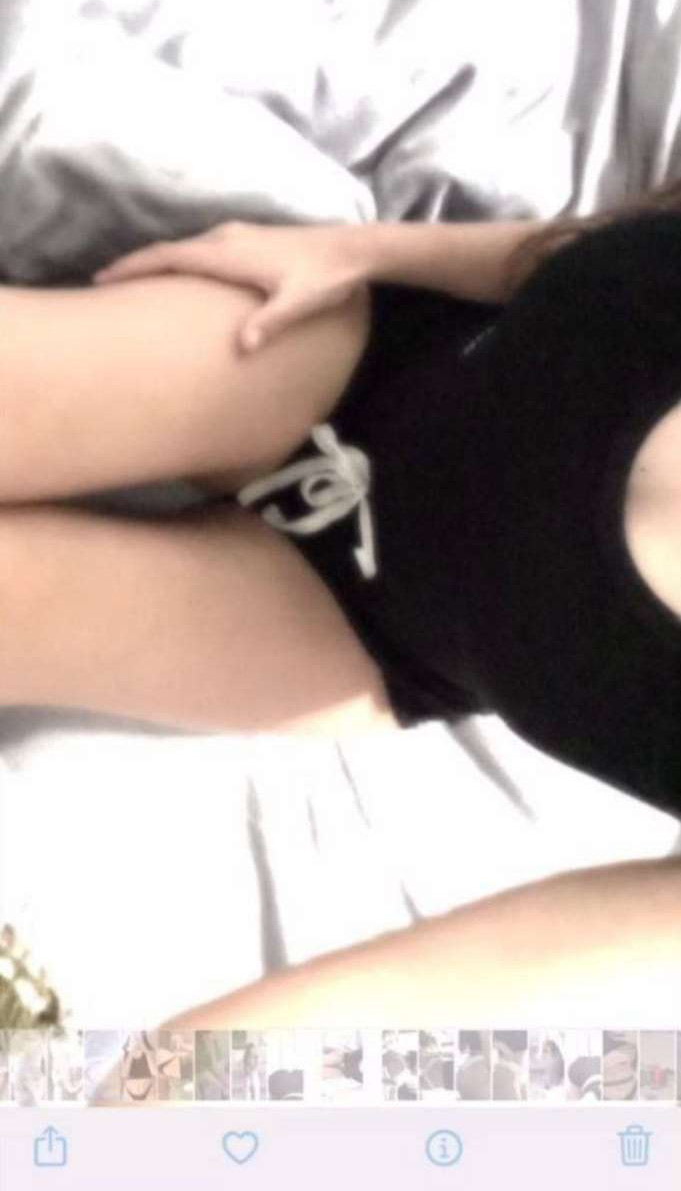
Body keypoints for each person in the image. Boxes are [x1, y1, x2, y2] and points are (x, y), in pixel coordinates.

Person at [2, 187, 681, 1025]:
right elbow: (586, 250)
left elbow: (474, 976)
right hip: (355, 360)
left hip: (347, 630)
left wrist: (171, 1077)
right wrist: (359, 250)